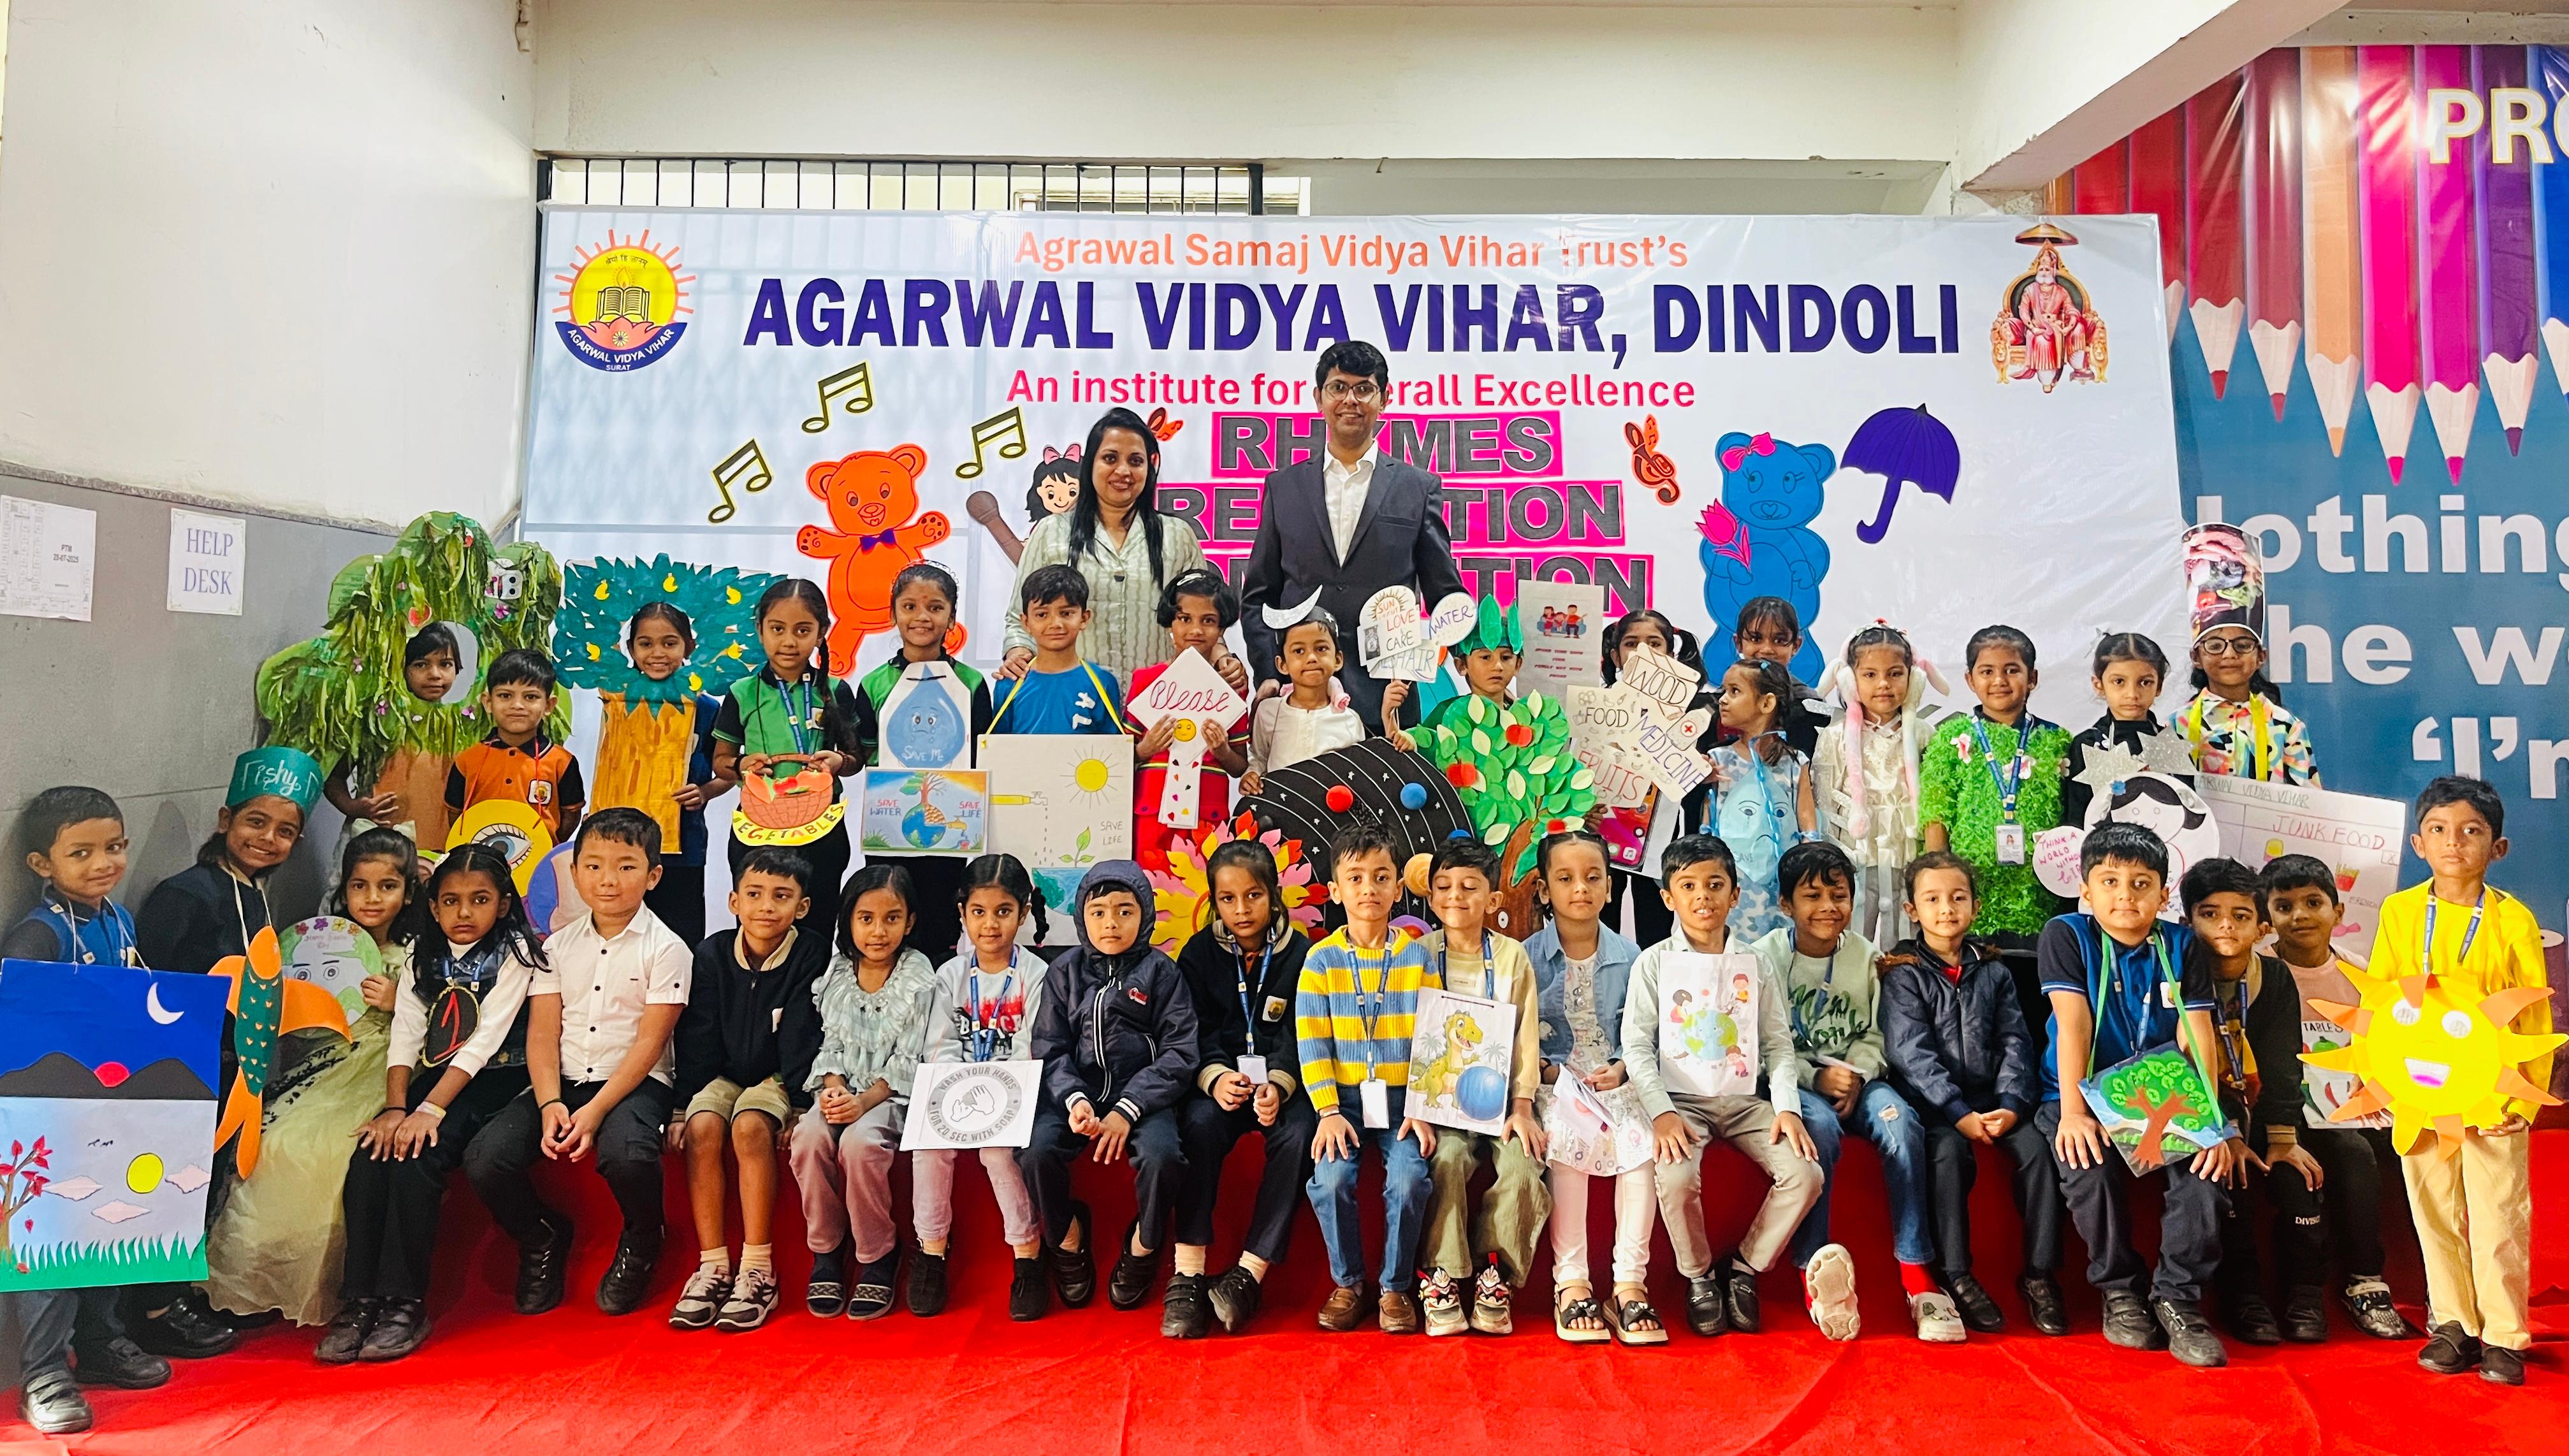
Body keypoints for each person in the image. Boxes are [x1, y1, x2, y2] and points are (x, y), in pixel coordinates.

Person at [133, 745, 324, 1359]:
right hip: (186, 1070)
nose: (268, 839)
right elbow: (153, 985)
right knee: (173, 1185)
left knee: (210, 1181)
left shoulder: (254, 893)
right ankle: (152, 1309)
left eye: (285, 831)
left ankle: (186, 1291)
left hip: (235, 1072)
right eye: (255, 822)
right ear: (225, 820)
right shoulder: (185, 895)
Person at [322, 843, 545, 1363]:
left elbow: (485, 1040)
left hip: (499, 1079)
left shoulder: (515, 954)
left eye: (479, 900)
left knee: (418, 1153)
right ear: (433, 905)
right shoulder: (424, 951)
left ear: (503, 905)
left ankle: (404, 1301)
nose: (464, 913)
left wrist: (429, 1113)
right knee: (373, 1152)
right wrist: (396, 1110)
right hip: (442, 1076)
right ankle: (359, 1299)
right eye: (450, 901)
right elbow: (406, 1032)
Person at [469, 809, 692, 1320]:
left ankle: (644, 1236)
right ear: (574, 873)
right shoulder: (556, 947)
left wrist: (594, 1112)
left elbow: (650, 1043)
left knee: (627, 1156)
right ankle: (541, 1236)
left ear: (654, 875)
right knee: (486, 1158)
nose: (608, 880)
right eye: (593, 866)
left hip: (634, 1082)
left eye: (626, 866)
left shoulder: (668, 949)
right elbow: (543, 1034)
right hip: (564, 1080)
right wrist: (551, 1102)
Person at [2037, 822, 2243, 1368]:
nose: (2125, 895)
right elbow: (2073, 1025)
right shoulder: (2066, 934)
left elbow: (2197, 1034)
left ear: (2164, 893)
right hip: (2081, 1089)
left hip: (2161, 1088)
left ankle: (2178, 1299)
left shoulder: (2181, 944)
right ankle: (2121, 1292)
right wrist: (2073, 1114)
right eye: (2110, 882)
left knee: (2206, 1170)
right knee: (2087, 1166)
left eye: (2141, 883)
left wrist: (2211, 1124)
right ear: (2085, 890)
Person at [2375, 776, 2551, 1387]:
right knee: (2434, 1208)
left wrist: (2523, 1097)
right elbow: (2380, 1003)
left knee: (2499, 1211)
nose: (2454, 842)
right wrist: (2384, 1082)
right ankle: (2454, 1323)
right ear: (2418, 844)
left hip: (2492, 1091)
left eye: (2471, 831)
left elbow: (2534, 1014)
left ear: (2497, 848)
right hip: (2421, 1089)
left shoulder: (2513, 920)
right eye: (2439, 830)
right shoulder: (2400, 913)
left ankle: (2503, 1333)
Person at [206, 828, 418, 1329]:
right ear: (344, 889)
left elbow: (443, 1026)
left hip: (382, 1068)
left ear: (409, 893)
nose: (372, 898)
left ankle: (320, 1283)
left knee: (325, 1150)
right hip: (321, 1063)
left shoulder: (416, 954)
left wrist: (400, 1003)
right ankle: (255, 1281)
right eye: (360, 886)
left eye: (387, 887)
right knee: (271, 1142)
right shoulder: (318, 945)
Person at [4, 788, 169, 1425]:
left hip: (114, 1110)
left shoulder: (120, 920)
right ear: (42, 864)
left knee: (111, 1225)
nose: (105, 863)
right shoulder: (37, 934)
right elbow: (19, 1020)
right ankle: (44, 1373)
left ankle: (101, 1343)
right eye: (82, 853)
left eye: (115, 847)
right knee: (47, 1242)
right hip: (48, 1119)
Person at [1621, 834, 1823, 1339]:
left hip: (1745, 1099)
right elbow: (1637, 1047)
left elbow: (1778, 1045)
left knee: (1805, 1175)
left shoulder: (1755, 964)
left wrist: (1787, 1108)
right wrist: (1662, 1112)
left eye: (1715, 885)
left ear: (1734, 895)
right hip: (1681, 1101)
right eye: (1688, 886)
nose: (1702, 897)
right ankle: (1699, 1277)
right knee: (1675, 1178)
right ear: (1668, 898)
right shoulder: (1653, 963)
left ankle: (1746, 1268)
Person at [1756, 841, 1944, 1342]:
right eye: (1812, 896)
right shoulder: (1761, 958)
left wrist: (1857, 1072)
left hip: (1861, 1082)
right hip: (1797, 1083)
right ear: (1785, 904)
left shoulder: (1865, 956)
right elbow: (1757, 1045)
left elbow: (1878, 1035)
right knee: (1816, 1131)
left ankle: (1917, 1275)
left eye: (1838, 895)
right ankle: (1814, 1271)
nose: (1828, 907)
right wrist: (1812, 1077)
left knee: (1901, 1124)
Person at [1877, 851, 2066, 1338]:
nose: (1947, 909)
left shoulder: (1994, 971)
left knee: (2040, 1152)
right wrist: (1957, 1112)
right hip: (1936, 1106)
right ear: (1912, 910)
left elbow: (2015, 1041)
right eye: (1933, 899)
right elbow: (1910, 1052)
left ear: (1976, 907)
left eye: (1958, 897)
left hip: (1995, 1100)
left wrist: (2012, 1105)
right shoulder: (1903, 972)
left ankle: (2040, 1273)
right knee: (1947, 1155)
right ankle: (1956, 1273)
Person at [1239, 340, 1465, 734]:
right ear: (1319, 398)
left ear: (1384, 399)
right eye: (1338, 387)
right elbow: (1258, 594)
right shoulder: (1283, 487)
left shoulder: (1417, 487)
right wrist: (1269, 673)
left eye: (1364, 389)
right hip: (1299, 695)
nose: (1350, 400)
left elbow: (1444, 592)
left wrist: (1476, 658)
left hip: (1388, 699)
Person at [1019, 860, 1197, 1315]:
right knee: (1036, 1151)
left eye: (1124, 911)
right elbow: (1049, 1047)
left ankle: (1144, 1243)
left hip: (1143, 1098)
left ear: (1145, 916)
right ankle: (1066, 1236)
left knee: (1163, 1157)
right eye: (1098, 913)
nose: (1111, 923)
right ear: (1082, 918)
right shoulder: (1064, 972)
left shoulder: (1162, 973)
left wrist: (1128, 1108)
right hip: (1076, 1095)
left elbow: (1180, 1052)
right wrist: (1074, 1099)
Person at [668, 846, 827, 1333]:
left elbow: (802, 1033)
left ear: (802, 906)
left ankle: (758, 1269)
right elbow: (697, 1035)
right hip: (722, 1073)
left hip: (778, 1076)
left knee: (751, 1125)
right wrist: (682, 1107)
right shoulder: (712, 954)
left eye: (782, 896)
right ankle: (713, 1265)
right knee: (703, 1126)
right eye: (754, 895)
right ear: (734, 901)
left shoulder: (813, 953)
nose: (766, 907)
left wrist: (799, 1102)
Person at [2257, 854, 2412, 1342]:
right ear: (2267, 918)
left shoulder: (2359, 973)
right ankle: (2310, 1290)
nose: (2300, 916)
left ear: (2338, 912)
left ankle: (2382, 1283)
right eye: (2284, 906)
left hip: (2349, 1107)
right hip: (2281, 1113)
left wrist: (2377, 1087)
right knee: (2343, 1152)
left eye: (2313, 903)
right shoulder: (2259, 972)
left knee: (2408, 1143)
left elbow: (2382, 1048)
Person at [1297, 824, 1441, 1334]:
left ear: (1398, 888)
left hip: (1403, 1102)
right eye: (1355, 878)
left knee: (1409, 1179)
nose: (1369, 889)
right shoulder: (1320, 961)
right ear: (1335, 891)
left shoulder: (1417, 957)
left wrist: (1422, 1106)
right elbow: (1312, 1041)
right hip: (1343, 1102)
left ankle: (1395, 1287)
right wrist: (1328, 1111)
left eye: (1381, 877)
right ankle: (1349, 1282)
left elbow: (1433, 1039)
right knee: (1331, 1179)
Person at [1168, 840, 1314, 1337]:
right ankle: (1189, 1273)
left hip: (1280, 1087)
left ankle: (1248, 1274)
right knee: (1197, 1125)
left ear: (1274, 894)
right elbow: (1190, 1029)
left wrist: (1279, 1083)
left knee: (1301, 1135)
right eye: (1227, 899)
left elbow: (1304, 1031)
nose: (1241, 910)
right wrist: (1215, 1078)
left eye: (1253, 896)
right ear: (1213, 902)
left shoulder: (1304, 954)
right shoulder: (1198, 954)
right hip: (1221, 1085)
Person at [1524, 829, 1660, 1345]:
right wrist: (1549, 1071)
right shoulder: (1525, 957)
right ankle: (1572, 1281)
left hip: (1615, 1079)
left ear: (1609, 886)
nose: (1580, 888)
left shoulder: (1633, 956)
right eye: (1565, 879)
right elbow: (1515, 1034)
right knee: (1565, 1138)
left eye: (1592, 877)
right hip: (1555, 1082)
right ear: (1544, 889)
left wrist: (1622, 1066)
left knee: (1643, 1144)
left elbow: (1645, 1031)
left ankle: (1629, 1283)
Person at [788, 864, 939, 1324]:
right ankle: (827, 1248)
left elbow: (909, 1058)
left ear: (910, 922)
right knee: (808, 1137)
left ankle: (877, 1251)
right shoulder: (837, 971)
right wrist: (834, 1090)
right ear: (848, 921)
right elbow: (830, 1043)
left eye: (892, 919)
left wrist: (862, 1103)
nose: (878, 931)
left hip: (890, 1096)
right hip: (842, 1090)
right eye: (866, 918)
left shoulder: (919, 975)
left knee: (859, 1144)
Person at [1416, 837, 1547, 1337]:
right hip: (1441, 1103)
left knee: (1522, 1163)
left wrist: (1523, 1106)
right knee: (1447, 1158)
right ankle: (1444, 1273)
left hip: (1501, 1101)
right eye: (1445, 887)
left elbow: (1526, 1037)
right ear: (1431, 897)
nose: (1456, 896)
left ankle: (1496, 1272)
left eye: (1470, 887)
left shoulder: (1512, 957)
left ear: (1493, 899)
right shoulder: (1419, 955)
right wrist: (1419, 1104)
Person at [1919, 624, 2073, 1042]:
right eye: (1987, 671)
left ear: (2033, 678)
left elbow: (2070, 815)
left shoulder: (2057, 741)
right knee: (1978, 1010)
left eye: (2012, 670)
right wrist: (1941, 883)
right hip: (1974, 898)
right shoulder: (1952, 739)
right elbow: (1936, 811)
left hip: (2039, 898)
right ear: (1970, 680)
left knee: (2036, 1005)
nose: (1999, 680)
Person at [915, 855, 1051, 1321]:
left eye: (1003, 911)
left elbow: (1031, 1045)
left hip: (1014, 1094)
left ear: (1024, 912)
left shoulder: (1036, 975)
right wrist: (962, 1090)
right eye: (979, 912)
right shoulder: (949, 976)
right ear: (962, 914)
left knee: (997, 1151)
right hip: (957, 1093)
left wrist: (996, 1094)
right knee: (930, 1148)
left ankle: (1027, 1253)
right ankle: (932, 1249)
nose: (990, 924)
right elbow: (939, 1046)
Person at [1002, 406, 1215, 688]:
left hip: (1158, 700)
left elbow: (1205, 618)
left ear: (1150, 467)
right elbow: (1019, 619)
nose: (1123, 471)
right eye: (1110, 458)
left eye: (1136, 461)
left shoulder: (1177, 536)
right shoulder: (1051, 533)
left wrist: (1223, 657)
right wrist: (1018, 653)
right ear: (1091, 463)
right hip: (1074, 700)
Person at [2183, 855, 2303, 1347]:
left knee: (2306, 1169)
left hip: (2260, 1102)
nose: (2226, 926)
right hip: (2200, 1104)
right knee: (2230, 1168)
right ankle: (2244, 1295)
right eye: (2209, 914)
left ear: (2262, 927)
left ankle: (2308, 1297)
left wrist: (2283, 1138)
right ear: (2187, 920)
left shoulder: (2274, 978)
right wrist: (2223, 1129)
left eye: (2240, 915)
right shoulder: (2174, 971)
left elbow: (2282, 1065)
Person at [850, 562, 997, 962]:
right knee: (888, 915)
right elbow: (864, 754)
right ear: (893, 612)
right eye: (910, 606)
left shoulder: (971, 683)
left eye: (935, 607)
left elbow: (982, 755)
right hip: (889, 827)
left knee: (940, 924)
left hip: (949, 828)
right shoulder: (874, 683)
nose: (922, 617)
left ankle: (939, 996)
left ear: (952, 616)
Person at [712, 579, 863, 937]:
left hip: (821, 827)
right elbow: (721, 761)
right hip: (758, 827)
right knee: (758, 926)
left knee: (817, 924)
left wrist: (839, 762)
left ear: (822, 633)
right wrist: (741, 765)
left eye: (803, 630)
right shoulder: (742, 693)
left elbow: (857, 758)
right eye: (777, 629)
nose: (789, 641)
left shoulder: (836, 691)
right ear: (760, 630)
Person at [590, 601, 729, 945]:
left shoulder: (705, 708)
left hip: (682, 846)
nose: (657, 654)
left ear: (689, 647)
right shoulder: (616, 701)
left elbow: (728, 771)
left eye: (670, 643)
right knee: (618, 929)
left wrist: (705, 792)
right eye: (646, 643)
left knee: (679, 935)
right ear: (630, 649)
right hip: (620, 842)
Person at [1812, 622, 1944, 947]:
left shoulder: (1925, 734)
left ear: (1913, 677)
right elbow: (1823, 805)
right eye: (1870, 675)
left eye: (1895, 674)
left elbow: (1937, 801)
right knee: (1855, 933)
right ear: (1850, 679)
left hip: (1909, 853)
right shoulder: (1835, 737)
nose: (1883, 684)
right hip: (1855, 857)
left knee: (1907, 931)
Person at [1594, 609, 1712, 946]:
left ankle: (1654, 978)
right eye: (1632, 643)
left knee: (1656, 926)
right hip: (1604, 831)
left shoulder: (1694, 713)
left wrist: (1702, 770)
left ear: (1670, 653)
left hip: (1660, 837)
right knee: (1601, 923)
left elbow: (1698, 781)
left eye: (1654, 643)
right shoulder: (1596, 706)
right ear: (1616, 656)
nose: (1643, 651)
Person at [1127, 568, 1251, 872]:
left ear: (1221, 628)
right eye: (1185, 619)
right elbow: (1120, 758)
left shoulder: (1231, 689)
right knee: (1148, 888)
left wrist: (1222, 750)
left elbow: (1239, 767)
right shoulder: (1145, 681)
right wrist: (1146, 748)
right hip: (1150, 814)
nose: (1195, 629)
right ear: (1170, 622)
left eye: (1208, 621)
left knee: (1202, 891)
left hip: (1207, 818)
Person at [2178, 523, 2318, 786]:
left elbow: (2309, 801)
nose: (2230, 654)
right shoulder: (2175, 727)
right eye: (2215, 646)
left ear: (2260, 657)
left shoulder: (2285, 727)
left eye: (2242, 645)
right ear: (2196, 657)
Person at [321, 623, 462, 852]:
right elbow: (334, 778)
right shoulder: (376, 721)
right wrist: (353, 807)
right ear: (401, 668)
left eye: (445, 664)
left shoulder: (464, 727)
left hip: (439, 850)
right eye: (421, 665)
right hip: (373, 845)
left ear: (457, 669)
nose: (435, 674)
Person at [1707, 656, 1819, 942]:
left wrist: (1808, 868)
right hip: (1730, 883)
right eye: (1723, 691)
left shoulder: (1795, 763)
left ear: (1767, 703)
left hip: (1781, 883)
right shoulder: (1717, 761)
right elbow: (1708, 825)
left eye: (1734, 691)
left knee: (1779, 949)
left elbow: (1808, 822)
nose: (1723, 700)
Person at [444, 648, 585, 842]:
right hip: (476, 858)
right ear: (488, 702)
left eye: (530, 697)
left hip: (539, 858)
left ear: (549, 705)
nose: (517, 705)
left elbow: (570, 816)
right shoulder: (467, 761)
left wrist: (545, 845)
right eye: (505, 696)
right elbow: (455, 815)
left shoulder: (562, 762)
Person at [2061, 632, 2192, 827]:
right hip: (2104, 846)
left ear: (2159, 686)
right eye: (2119, 682)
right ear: (2099, 685)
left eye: (2145, 682)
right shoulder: (2088, 745)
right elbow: (2077, 821)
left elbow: (2190, 811)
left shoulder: (2171, 744)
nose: (2132, 694)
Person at [988, 564, 1128, 738]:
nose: (1055, 624)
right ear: (1026, 623)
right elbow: (997, 749)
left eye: (1066, 613)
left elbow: (1113, 750)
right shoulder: (1010, 683)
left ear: (1084, 618)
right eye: (1042, 615)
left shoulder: (1103, 682)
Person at [1240, 607, 1364, 796]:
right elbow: (1259, 758)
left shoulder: (1350, 720)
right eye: (1299, 651)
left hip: (1330, 813)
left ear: (1338, 659)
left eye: (1321, 649)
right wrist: (1251, 775)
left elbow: (1356, 775)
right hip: (1279, 810)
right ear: (1282, 664)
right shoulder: (1268, 711)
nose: (1312, 658)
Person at [1383, 594, 1518, 752]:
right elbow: (1411, 752)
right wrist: (1388, 717)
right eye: (1485, 657)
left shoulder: (1525, 717)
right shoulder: (1447, 712)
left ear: (1519, 664)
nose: (1498, 666)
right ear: (1461, 666)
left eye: (1506, 657)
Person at [1725, 595, 1823, 756]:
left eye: (1779, 640)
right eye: (1756, 639)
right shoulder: (1718, 706)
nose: (1767, 649)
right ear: (1738, 643)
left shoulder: (1811, 709)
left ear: (1796, 646)